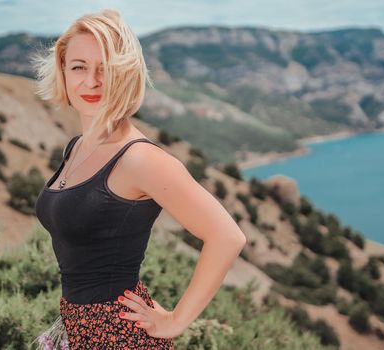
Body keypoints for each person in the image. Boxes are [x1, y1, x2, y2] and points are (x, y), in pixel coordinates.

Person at [30, 8, 247, 350]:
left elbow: (227, 236)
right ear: (63, 72)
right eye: (78, 67)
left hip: (120, 338)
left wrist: (176, 320)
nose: (91, 82)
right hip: (80, 333)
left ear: (125, 73)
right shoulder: (77, 147)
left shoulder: (141, 159)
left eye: (105, 69)